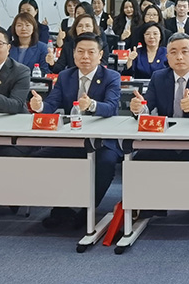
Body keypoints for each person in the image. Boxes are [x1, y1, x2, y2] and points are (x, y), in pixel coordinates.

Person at [29, 33, 121, 230]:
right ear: (73, 53)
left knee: (105, 163)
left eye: (91, 52)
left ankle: (87, 210)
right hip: (72, 138)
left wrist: (92, 105)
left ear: (100, 55)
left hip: (103, 140)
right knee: (39, 159)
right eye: (80, 51)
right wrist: (39, 106)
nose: (85, 56)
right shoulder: (65, 76)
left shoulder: (111, 76)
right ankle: (61, 208)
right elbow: (52, 103)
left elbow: (112, 108)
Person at [128, 32, 189, 224]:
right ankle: (152, 205)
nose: (179, 57)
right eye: (173, 52)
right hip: (166, 137)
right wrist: (139, 108)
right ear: (167, 56)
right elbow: (148, 105)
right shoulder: (159, 76)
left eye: (185, 51)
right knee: (141, 159)